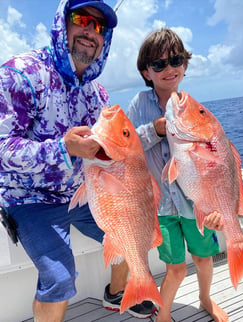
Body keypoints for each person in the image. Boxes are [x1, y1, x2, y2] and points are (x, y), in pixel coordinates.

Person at [0, 0, 155, 320]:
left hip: (84, 191)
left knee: (133, 236)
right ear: (62, 24)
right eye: (80, 19)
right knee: (59, 278)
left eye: (98, 26)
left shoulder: (97, 94)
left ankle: (116, 294)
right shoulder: (22, 72)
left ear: (105, 39)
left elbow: (114, 150)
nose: (89, 30)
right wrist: (61, 149)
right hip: (29, 197)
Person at [127, 28, 229, 322]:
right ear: (147, 72)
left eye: (176, 60)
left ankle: (206, 299)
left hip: (196, 205)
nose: (168, 69)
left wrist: (215, 209)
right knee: (176, 267)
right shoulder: (139, 104)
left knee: (203, 257)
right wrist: (155, 130)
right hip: (162, 208)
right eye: (158, 64)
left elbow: (218, 164)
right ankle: (164, 314)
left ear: (185, 65)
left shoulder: (194, 110)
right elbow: (128, 144)